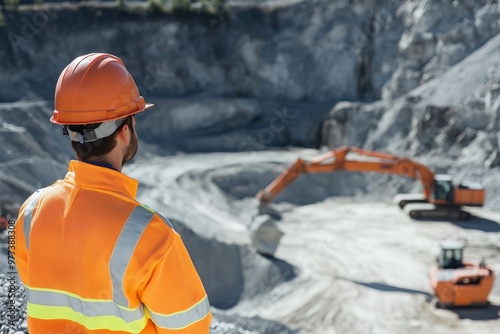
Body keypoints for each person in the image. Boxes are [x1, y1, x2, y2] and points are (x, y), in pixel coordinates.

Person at [14, 53, 212, 333]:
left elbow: (33, 283)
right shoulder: (151, 235)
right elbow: (191, 328)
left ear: (68, 131)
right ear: (124, 133)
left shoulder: (30, 212)